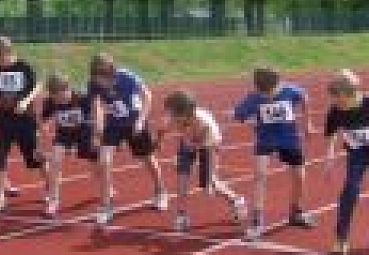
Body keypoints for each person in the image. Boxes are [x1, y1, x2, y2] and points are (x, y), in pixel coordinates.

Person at [234, 67, 317, 241]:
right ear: (258, 88)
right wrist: (251, 120)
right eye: (265, 94)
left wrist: (308, 123)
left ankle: (296, 212)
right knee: (260, 176)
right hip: (265, 139)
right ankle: (257, 221)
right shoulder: (254, 97)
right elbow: (238, 114)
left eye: (272, 92)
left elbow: (304, 97)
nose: (269, 96)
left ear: (278, 84)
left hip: (289, 139)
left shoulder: (290, 90)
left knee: (299, 176)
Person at [88, 53, 169, 225]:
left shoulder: (126, 76)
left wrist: (140, 120)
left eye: (100, 79)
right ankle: (106, 205)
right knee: (104, 161)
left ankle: (160, 191)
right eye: (95, 79)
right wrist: (97, 131)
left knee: (147, 158)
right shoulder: (94, 83)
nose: (99, 83)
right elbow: (96, 106)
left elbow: (147, 95)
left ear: (109, 72)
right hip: (113, 124)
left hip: (134, 121)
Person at [161, 90, 247, 232]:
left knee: (210, 185)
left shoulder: (205, 124)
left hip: (209, 145)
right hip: (189, 140)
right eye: (170, 113)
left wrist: (194, 147)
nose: (171, 116)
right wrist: (159, 142)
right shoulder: (175, 117)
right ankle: (181, 216)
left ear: (185, 112)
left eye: (173, 113)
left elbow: (208, 147)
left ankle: (236, 200)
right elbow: (164, 130)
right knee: (182, 179)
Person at [0, 36, 45, 214]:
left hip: (25, 120)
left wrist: (25, 101)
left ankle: (50, 185)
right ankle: (0, 197)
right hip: (3, 121)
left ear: (9, 52)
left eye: (1, 58)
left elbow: (37, 87)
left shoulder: (24, 67)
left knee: (33, 160)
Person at [323, 70, 369, 255]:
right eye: (334, 99)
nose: (337, 104)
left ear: (352, 94)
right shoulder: (334, 110)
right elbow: (331, 133)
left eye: (340, 100)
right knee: (350, 191)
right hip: (357, 153)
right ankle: (341, 239)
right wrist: (329, 156)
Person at [39, 72, 97, 218]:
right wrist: (43, 133)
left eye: (60, 96)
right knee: (55, 161)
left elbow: (97, 115)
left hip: (84, 131)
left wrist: (97, 136)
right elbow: (43, 120)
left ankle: (106, 187)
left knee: (96, 162)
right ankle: (53, 201)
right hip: (64, 134)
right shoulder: (50, 102)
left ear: (68, 89)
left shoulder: (83, 98)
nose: (58, 101)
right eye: (54, 97)